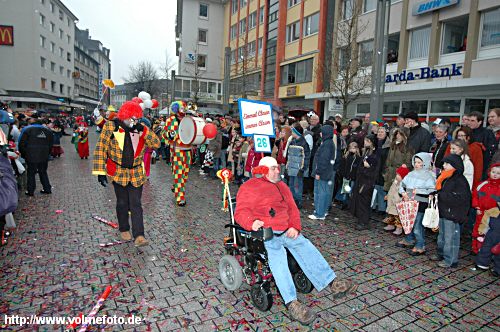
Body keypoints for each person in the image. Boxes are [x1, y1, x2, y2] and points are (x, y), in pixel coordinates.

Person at [234, 156, 356, 325]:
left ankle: (332, 283)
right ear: (263, 171)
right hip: (265, 234)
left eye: (278, 167)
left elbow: (292, 208)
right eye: (274, 168)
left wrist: (295, 226)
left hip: (286, 229)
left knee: (306, 246)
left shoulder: (282, 186)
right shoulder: (250, 187)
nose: (278, 171)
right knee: (279, 260)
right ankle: (292, 303)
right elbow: (240, 212)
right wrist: (252, 222)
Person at [92, 101, 160, 247]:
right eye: (132, 118)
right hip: (118, 171)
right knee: (122, 202)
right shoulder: (111, 126)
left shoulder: (141, 128)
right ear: (125, 115)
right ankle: (124, 228)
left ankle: (139, 235)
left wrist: (143, 130)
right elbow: (101, 148)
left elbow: (156, 143)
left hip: (136, 172)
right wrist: (100, 171)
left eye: (137, 118)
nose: (135, 121)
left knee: (136, 203)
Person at [430, 154, 471, 268]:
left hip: (452, 213)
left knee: (451, 237)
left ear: (455, 165)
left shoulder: (459, 180)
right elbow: (441, 191)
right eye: (444, 163)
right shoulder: (445, 176)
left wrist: (441, 195)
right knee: (442, 235)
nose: (444, 165)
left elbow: (460, 198)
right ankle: (441, 254)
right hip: (444, 210)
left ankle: (451, 260)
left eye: (447, 163)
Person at [396, 152, 436, 255]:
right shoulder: (411, 174)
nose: (417, 164)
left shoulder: (429, 176)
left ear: (426, 163)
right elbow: (402, 185)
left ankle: (420, 245)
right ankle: (409, 239)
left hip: (421, 203)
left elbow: (432, 189)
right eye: (415, 162)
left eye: (419, 162)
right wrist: (403, 192)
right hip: (409, 202)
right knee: (408, 222)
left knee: (418, 225)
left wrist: (419, 191)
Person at [18, 116, 54, 196]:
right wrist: (47, 154)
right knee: (43, 172)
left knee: (31, 173)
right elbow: (51, 144)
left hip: (30, 155)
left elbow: (21, 143)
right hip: (44, 155)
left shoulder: (26, 129)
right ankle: (47, 188)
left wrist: (24, 154)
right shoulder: (48, 131)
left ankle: (30, 191)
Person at [350, 135, 378, 230]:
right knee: (360, 200)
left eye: (367, 141)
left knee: (364, 202)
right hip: (361, 180)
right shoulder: (367, 152)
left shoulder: (374, 155)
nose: (365, 143)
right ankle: (361, 219)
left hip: (367, 182)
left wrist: (367, 167)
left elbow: (374, 170)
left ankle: (363, 221)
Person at [471, 163, 500, 255]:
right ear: (489, 172)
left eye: (498, 173)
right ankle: (475, 248)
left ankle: (487, 251)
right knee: (477, 230)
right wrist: (477, 206)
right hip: (481, 212)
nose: (495, 174)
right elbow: (475, 196)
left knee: (490, 233)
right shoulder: (482, 185)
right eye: (493, 172)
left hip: (494, 215)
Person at [308, 125, 335, 220]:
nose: (320, 133)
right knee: (325, 192)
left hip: (322, 173)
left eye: (322, 132)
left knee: (320, 193)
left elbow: (323, 160)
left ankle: (319, 213)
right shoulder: (329, 143)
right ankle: (323, 211)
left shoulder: (327, 144)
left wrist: (318, 172)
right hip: (326, 172)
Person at [286, 124, 310, 209]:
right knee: (291, 185)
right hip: (291, 168)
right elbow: (289, 156)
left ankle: (298, 201)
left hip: (298, 169)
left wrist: (303, 169)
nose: (291, 133)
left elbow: (306, 157)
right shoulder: (292, 141)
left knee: (297, 186)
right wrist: (287, 166)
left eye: (293, 131)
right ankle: (292, 201)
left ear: (297, 133)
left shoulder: (304, 144)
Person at [468, 111, 497, 177]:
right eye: (469, 120)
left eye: (472, 121)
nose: (469, 122)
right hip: (467, 165)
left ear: (480, 122)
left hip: (481, 166)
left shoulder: (487, 133)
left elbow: (491, 150)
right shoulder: (466, 131)